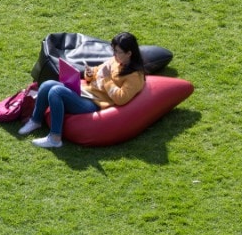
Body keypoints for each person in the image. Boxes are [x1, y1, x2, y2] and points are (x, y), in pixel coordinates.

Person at [18, 31, 146, 149]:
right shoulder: (115, 61)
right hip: (87, 92)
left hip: (95, 103)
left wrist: (107, 79)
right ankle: (36, 120)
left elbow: (121, 98)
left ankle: (55, 138)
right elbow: (97, 72)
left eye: (118, 52)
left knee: (56, 91)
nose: (114, 55)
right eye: (114, 50)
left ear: (129, 53)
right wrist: (89, 73)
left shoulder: (135, 76)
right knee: (47, 84)